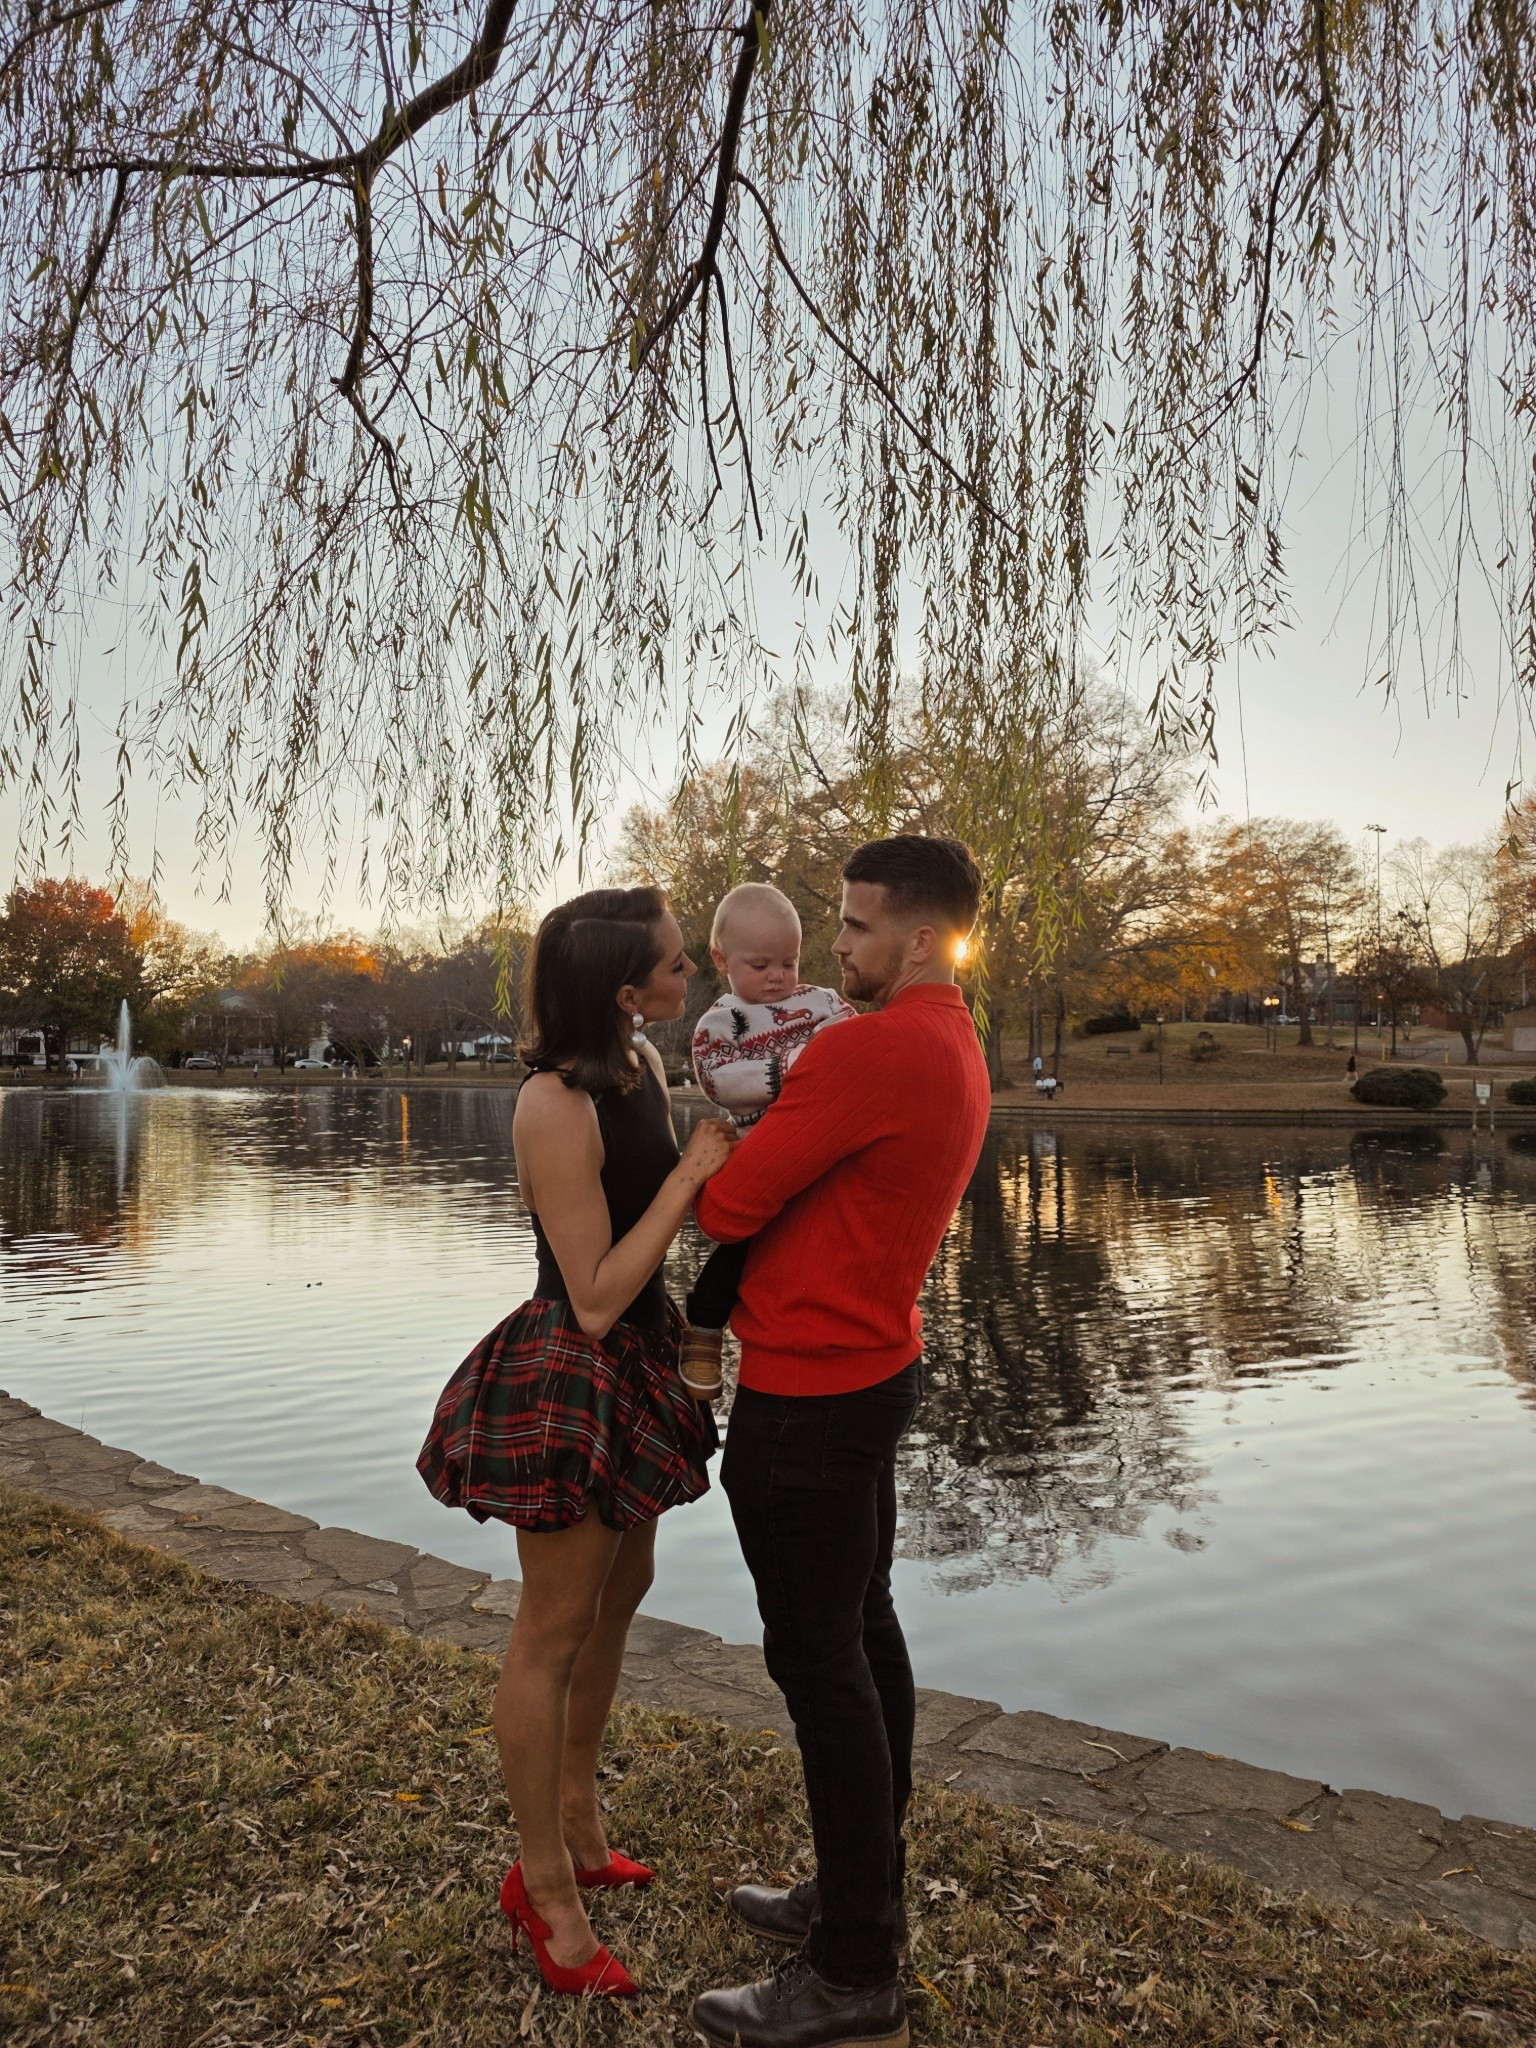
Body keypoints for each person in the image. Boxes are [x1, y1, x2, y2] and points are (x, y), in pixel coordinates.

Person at [689, 835, 991, 2048]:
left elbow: (728, 1203)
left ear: (916, 937)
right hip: (874, 1367)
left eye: (857, 926)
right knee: (863, 1633)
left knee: (821, 1667)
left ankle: (857, 1968)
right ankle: (858, 1887)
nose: (840, 945)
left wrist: (717, 1159)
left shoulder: (867, 1049)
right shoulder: (952, 1040)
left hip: (811, 1391)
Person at [416, 888, 734, 1999]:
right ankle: (545, 1889)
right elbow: (594, 1295)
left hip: (642, 1360)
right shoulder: (551, 1103)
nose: (692, 976)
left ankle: (581, 1820)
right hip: (576, 1370)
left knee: (623, 1588)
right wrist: (691, 1176)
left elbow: (656, 1222)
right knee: (551, 1629)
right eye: (677, 964)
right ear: (623, 987)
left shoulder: (639, 1063)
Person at [681, 882, 854, 1397]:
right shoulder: (718, 1025)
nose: (778, 976)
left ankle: (822, 1335)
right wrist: (799, 1065)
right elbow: (722, 1081)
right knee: (742, 1243)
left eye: (789, 962)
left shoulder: (821, 1002)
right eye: (760, 965)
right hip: (758, 1150)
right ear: (722, 959)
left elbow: (856, 1041)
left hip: (822, 1146)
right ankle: (705, 1323)